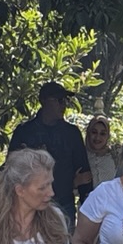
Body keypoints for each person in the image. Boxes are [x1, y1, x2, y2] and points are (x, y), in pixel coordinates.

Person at [9, 83, 89, 229]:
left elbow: (84, 173)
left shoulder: (71, 133)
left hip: (64, 204)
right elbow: (12, 169)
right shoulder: (24, 132)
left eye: (65, 100)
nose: (63, 105)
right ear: (43, 101)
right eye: (59, 100)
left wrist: (87, 206)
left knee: (63, 243)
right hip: (30, 205)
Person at [81, 115, 121, 200]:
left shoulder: (115, 155)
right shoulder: (81, 156)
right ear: (88, 133)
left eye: (102, 134)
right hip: (87, 205)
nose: (97, 137)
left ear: (108, 136)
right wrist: (76, 182)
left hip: (112, 205)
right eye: (94, 132)